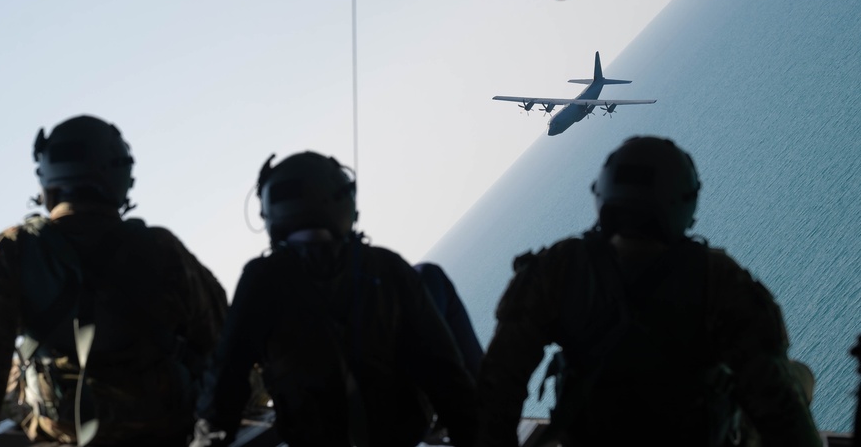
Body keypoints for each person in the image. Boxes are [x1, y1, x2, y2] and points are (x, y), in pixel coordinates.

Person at [476, 136, 822, 447]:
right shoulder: (717, 277)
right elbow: (779, 408)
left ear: (604, 194)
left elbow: (497, 391)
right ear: (684, 202)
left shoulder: (558, 268)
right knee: (799, 377)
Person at [0, 115, 228, 447]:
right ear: (119, 175)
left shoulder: (11, 250)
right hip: (165, 427)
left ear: (47, 180)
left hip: (62, 429)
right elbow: (220, 338)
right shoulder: (162, 248)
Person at [199, 151, 478, 447]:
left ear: (272, 214)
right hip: (402, 435)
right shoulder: (387, 267)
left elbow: (223, 386)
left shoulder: (260, 280)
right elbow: (449, 379)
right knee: (430, 276)